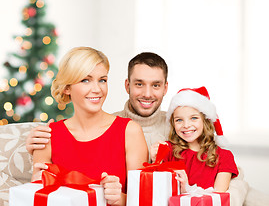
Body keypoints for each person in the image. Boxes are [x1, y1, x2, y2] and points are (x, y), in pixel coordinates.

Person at [27, 52, 268, 206]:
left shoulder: (183, 126)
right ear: (127, 86)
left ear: (165, 88)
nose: (147, 94)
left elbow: (226, 168)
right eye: (139, 84)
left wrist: (219, 200)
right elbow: (38, 191)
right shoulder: (55, 133)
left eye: (102, 80)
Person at [31, 47, 148, 206]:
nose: (97, 89)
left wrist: (118, 198)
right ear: (67, 88)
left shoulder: (130, 131)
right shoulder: (48, 136)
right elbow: (37, 198)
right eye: (86, 80)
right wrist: (37, 184)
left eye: (102, 80)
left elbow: (142, 201)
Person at [150, 86, 238, 193]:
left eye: (194, 118)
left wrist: (186, 189)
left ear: (205, 121)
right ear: (173, 124)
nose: (186, 125)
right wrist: (155, 161)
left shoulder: (224, 157)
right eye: (179, 120)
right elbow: (156, 190)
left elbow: (218, 198)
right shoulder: (167, 149)